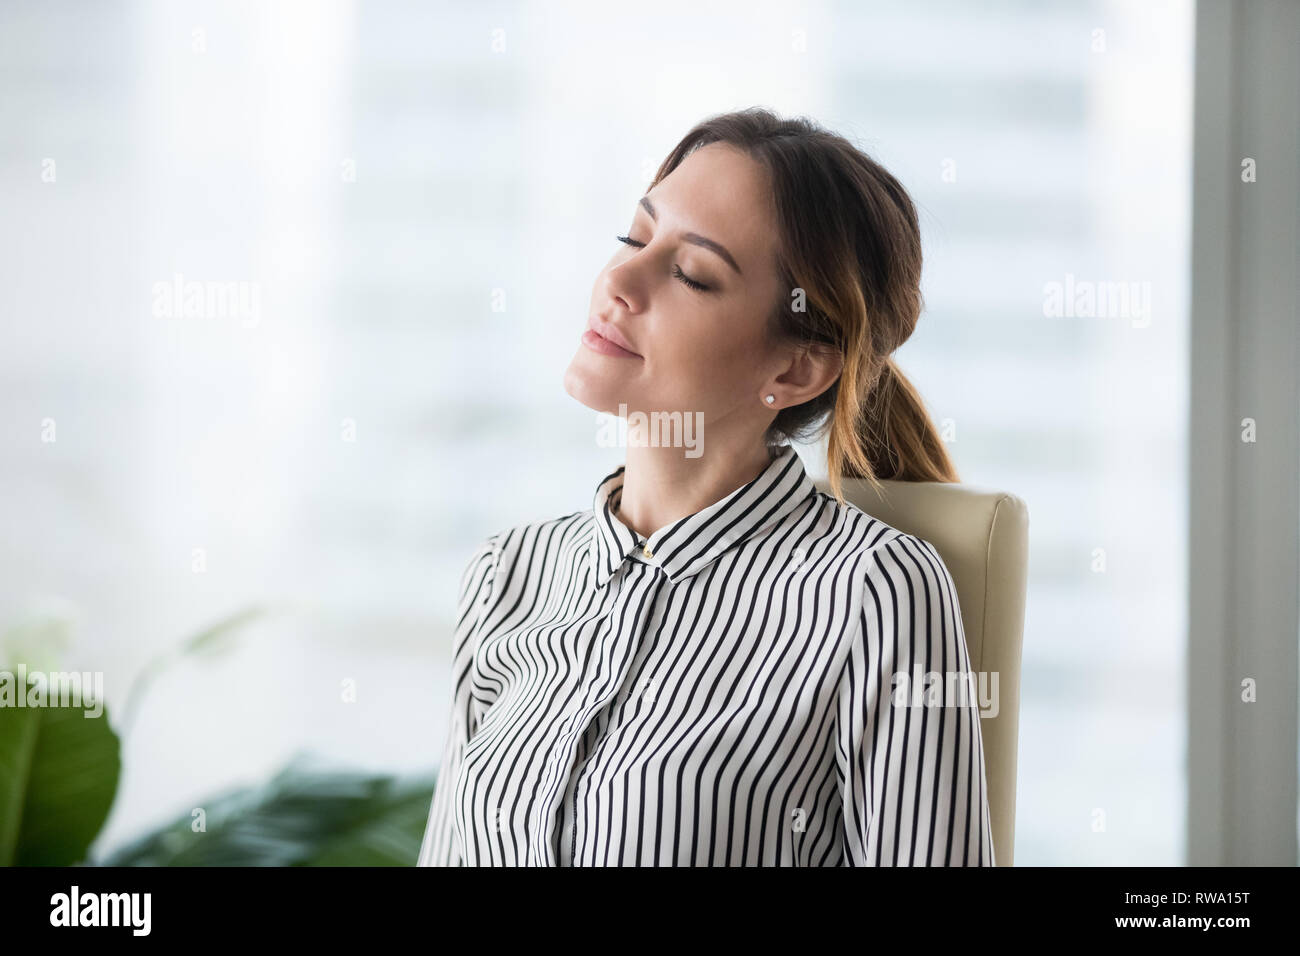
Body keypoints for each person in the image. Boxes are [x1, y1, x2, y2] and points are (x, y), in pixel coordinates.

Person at [419, 107, 995, 866]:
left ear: (794, 369)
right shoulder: (508, 575)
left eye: (692, 273)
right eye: (634, 237)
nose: (619, 281)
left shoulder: (874, 592)